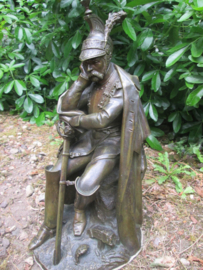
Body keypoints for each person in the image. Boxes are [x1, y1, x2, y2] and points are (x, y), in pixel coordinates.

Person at [29, 9, 150, 255]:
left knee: (87, 183)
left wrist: (77, 121)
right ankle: (49, 226)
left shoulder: (123, 84)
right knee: (55, 173)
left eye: (95, 61)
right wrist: (82, 81)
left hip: (112, 145)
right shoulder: (91, 77)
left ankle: (80, 211)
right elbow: (66, 107)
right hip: (89, 141)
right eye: (86, 62)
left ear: (108, 56)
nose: (91, 67)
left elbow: (104, 117)